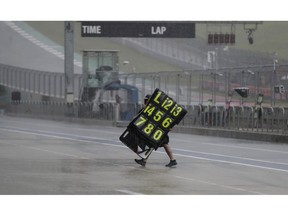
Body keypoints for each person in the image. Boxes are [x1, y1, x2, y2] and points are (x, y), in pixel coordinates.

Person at [134, 94, 177, 168]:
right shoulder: (153, 109)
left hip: (159, 131)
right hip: (155, 131)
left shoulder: (155, 109)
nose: (146, 102)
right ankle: (144, 160)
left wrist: (169, 127)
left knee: (164, 144)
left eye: (146, 100)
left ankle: (173, 160)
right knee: (153, 145)